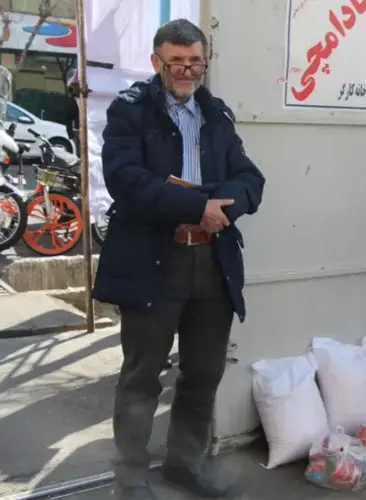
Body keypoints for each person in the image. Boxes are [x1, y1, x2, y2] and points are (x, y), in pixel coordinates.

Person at [92, 19, 265, 499]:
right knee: (142, 377)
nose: (187, 71)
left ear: (204, 62)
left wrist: (222, 205)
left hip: (211, 263)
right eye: (176, 62)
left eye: (195, 62)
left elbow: (251, 179)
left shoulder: (217, 115)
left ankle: (184, 464)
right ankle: (129, 478)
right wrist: (197, 206)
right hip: (153, 261)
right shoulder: (131, 112)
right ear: (156, 63)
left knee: (203, 373)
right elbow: (126, 180)